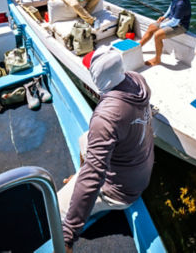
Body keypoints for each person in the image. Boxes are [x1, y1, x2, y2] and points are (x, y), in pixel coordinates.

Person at [58, 45, 154, 252]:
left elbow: (93, 176)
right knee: (84, 139)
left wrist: (68, 236)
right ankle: (79, 177)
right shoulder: (137, 80)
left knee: (54, 208)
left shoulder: (106, 117)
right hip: (139, 168)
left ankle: (84, 195)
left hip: (120, 190)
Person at [139, 0, 192, 66]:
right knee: (152, 26)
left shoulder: (181, 4)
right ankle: (138, 46)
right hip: (172, 19)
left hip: (180, 25)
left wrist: (161, 26)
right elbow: (171, 5)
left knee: (157, 35)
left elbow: (175, 22)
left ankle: (157, 59)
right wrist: (164, 16)